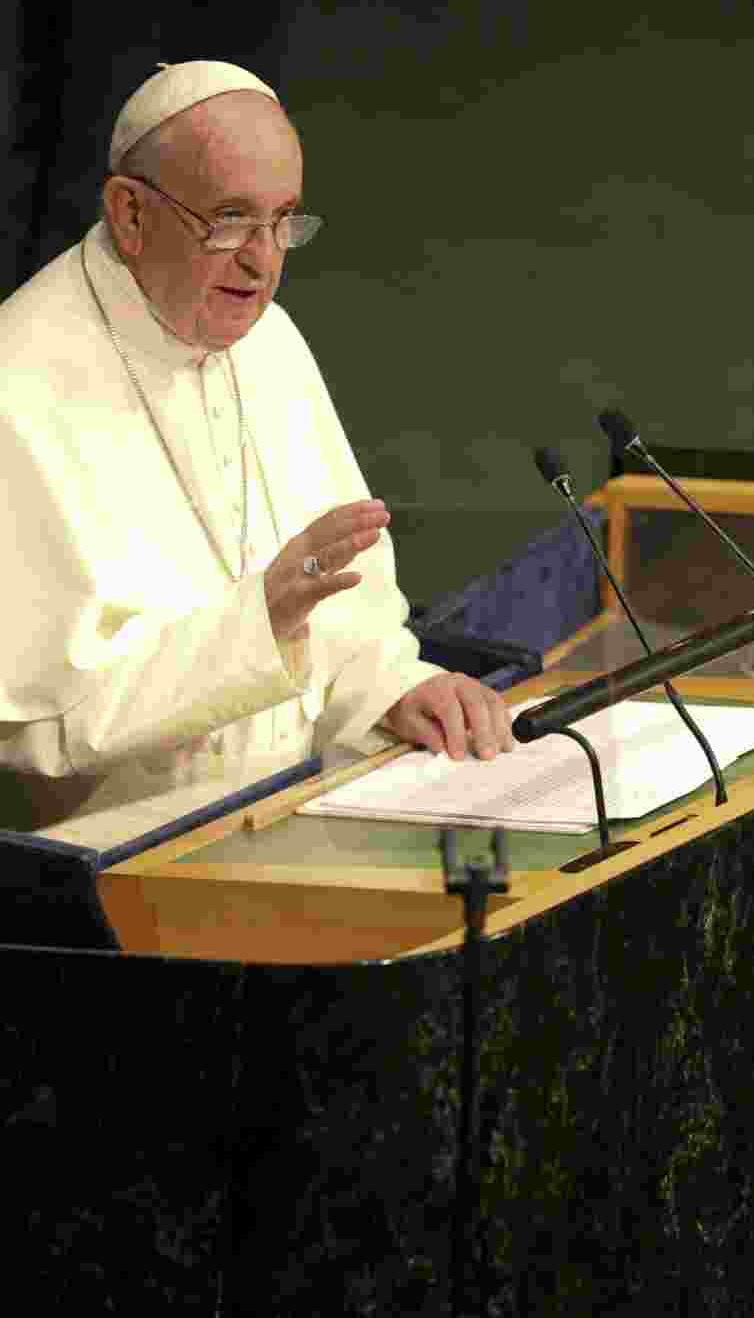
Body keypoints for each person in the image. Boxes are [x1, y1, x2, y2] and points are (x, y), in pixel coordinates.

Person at [0, 60, 514, 828]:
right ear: (130, 214)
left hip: (287, 815)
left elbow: (344, 604)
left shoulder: (266, 337)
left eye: (284, 221)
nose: (264, 259)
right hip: (106, 872)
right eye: (231, 219)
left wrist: (392, 687)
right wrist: (256, 627)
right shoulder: (19, 384)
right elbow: (31, 729)